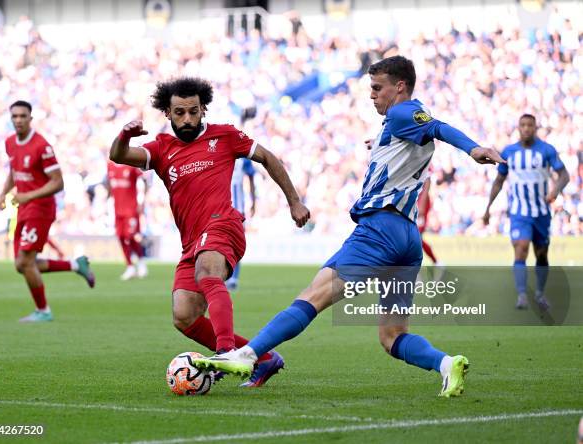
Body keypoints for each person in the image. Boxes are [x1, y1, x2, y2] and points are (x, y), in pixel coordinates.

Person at [193, 56, 505, 397]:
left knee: (312, 296)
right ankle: (446, 364)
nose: (371, 95)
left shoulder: (404, 113)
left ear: (399, 86)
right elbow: (417, 140)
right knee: (392, 336)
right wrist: (381, 144)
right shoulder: (398, 127)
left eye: (377, 88)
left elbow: (437, 127)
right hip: (407, 237)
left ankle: (247, 354)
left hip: (379, 230)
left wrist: (473, 148)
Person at [109, 77, 310, 386]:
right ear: (167, 113)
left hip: (223, 224)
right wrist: (124, 135)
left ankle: (227, 351)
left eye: (193, 111)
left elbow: (268, 157)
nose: (187, 119)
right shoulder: (162, 148)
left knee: (207, 272)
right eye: (179, 113)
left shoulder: (226, 136)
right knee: (184, 316)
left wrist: (294, 201)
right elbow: (119, 156)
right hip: (192, 241)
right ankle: (264, 358)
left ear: (203, 109)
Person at [0, 100, 96, 322]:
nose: (19, 120)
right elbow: (15, 171)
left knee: (24, 262)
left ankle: (44, 311)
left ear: (31, 119)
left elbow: (58, 182)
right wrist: (4, 193)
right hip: (23, 207)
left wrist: (29, 195)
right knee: (22, 265)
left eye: (23, 116)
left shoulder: (42, 146)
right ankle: (74, 264)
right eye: (15, 116)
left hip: (40, 208)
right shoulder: (10, 143)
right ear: (11, 119)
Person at [483, 114, 569, 310]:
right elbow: (499, 181)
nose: (526, 128)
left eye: (530, 125)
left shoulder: (547, 150)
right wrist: (488, 208)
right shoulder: (509, 152)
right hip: (519, 212)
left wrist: (555, 191)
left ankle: (539, 294)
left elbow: (564, 175)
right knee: (521, 249)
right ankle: (522, 295)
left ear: (535, 127)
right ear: (518, 128)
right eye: (523, 125)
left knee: (541, 255)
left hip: (541, 212)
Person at [107, 161, 148, 280]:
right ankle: (130, 266)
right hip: (117, 209)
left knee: (130, 236)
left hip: (131, 209)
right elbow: (110, 183)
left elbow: (143, 181)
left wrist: (142, 201)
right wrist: (108, 199)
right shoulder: (110, 165)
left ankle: (140, 262)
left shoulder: (131, 165)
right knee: (120, 237)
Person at [225, 157, 256, 290]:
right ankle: (225, 275)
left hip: (238, 209)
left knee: (235, 244)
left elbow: (251, 177)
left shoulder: (243, 157)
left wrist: (254, 201)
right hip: (222, 207)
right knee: (222, 243)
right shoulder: (219, 150)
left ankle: (233, 278)